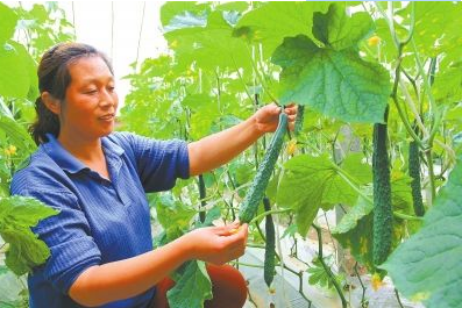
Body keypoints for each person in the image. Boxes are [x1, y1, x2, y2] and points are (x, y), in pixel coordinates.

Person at [10, 42, 298, 308]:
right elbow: (85, 285)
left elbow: (191, 156)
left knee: (227, 285)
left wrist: (256, 126)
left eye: (110, 87)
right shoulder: (38, 181)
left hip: (141, 297)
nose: (108, 100)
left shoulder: (119, 148)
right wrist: (187, 247)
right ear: (52, 102)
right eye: (90, 91)